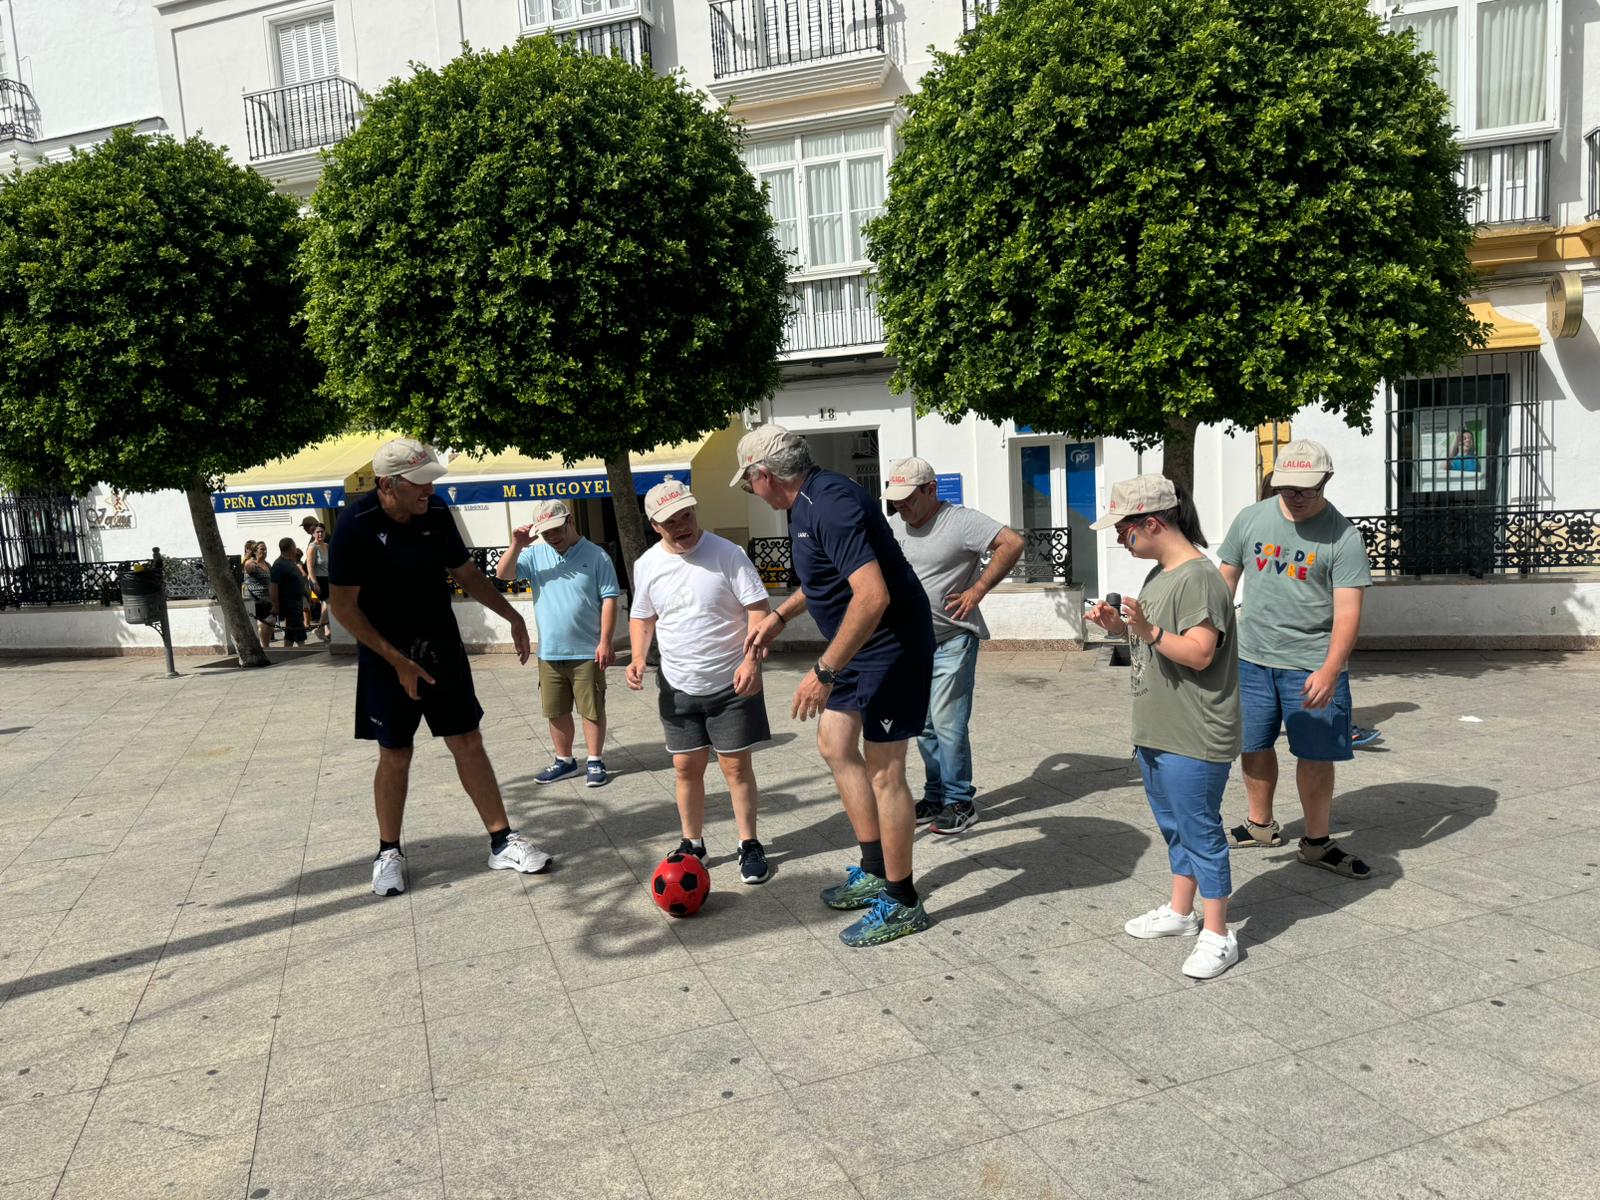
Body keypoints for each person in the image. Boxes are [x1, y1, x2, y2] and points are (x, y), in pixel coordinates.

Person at [738, 425, 935, 947]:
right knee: (833, 743)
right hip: (859, 645)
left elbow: (872, 598)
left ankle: (901, 900)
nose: (749, 490)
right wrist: (779, 616)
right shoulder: (804, 503)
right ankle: (874, 868)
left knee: (885, 770)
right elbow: (824, 579)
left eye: (747, 483)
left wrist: (823, 670)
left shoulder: (829, 503)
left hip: (889, 645)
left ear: (763, 474)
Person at [328, 437, 550, 897]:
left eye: (432, 481)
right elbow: (343, 608)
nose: (430, 490)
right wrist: (397, 661)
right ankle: (388, 852)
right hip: (386, 655)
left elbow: (466, 573)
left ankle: (502, 842)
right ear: (388, 485)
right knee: (396, 753)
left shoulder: (436, 513)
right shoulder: (355, 524)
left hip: (441, 646)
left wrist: (512, 617)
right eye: (420, 482)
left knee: (467, 740)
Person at [1086, 475, 1242, 979]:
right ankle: (1180, 912)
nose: (1117, 539)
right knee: (1175, 827)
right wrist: (1122, 628)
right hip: (1158, 728)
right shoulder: (1160, 573)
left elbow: (1199, 652)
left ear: (1152, 523)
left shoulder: (1199, 577)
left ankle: (1218, 934)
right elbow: (1152, 642)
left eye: (1123, 530)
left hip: (1194, 733)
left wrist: (1147, 630)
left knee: (1201, 832)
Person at [1218, 439, 1373, 879]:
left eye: (1306, 488)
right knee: (1253, 744)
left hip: (1310, 664)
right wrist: (1208, 638)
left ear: (1325, 481)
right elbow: (1224, 581)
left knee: (1315, 753)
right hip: (1251, 658)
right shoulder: (1251, 519)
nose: (1295, 496)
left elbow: (1348, 612)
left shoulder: (1342, 536)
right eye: (1286, 487)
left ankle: (1317, 842)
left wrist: (1329, 668)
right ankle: (1261, 825)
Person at [626, 477, 774, 884]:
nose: (682, 525)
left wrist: (751, 661)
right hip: (677, 686)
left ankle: (749, 844)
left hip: (731, 683)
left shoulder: (728, 554)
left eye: (686, 515)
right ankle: (693, 843)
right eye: (670, 521)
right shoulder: (648, 564)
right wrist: (639, 657)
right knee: (685, 768)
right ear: (655, 526)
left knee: (735, 768)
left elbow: (758, 609)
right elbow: (643, 615)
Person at [883, 456, 1024, 836]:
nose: (901, 506)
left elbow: (1012, 543)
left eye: (908, 498)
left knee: (947, 722)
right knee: (924, 725)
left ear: (931, 490)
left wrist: (978, 589)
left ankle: (960, 801)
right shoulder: (893, 525)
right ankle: (935, 796)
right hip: (911, 645)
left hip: (953, 639)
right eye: (895, 499)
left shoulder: (961, 521)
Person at [494, 499, 619, 788]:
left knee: (591, 708)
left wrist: (606, 641)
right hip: (550, 651)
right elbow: (503, 574)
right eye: (545, 532)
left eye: (556, 529)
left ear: (570, 522)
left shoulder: (597, 556)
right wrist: (517, 545)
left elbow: (610, 598)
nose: (552, 536)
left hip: (587, 649)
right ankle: (565, 761)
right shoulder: (536, 555)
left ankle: (595, 760)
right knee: (555, 709)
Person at [269, 537, 312, 647]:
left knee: (290, 632)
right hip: (289, 604)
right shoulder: (279, 564)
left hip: (297, 602)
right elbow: (273, 586)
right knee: (298, 628)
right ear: (291, 547)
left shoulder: (291, 562)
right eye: (295, 546)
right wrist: (275, 605)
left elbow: (299, 581)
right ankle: (303, 650)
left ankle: (287, 649)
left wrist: (307, 595)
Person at [242, 541, 274, 649]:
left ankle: (265, 646)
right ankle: (264, 647)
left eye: (265, 549)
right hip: (255, 600)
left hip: (267, 599)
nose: (264, 552)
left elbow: (271, 582)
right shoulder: (251, 563)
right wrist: (249, 558)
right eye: (261, 549)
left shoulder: (268, 564)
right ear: (255, 551)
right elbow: (246, 569)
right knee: (263, 622)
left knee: (270, 621)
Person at [306, 523, 332, 641]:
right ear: (313, 534)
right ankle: (320, 628)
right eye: (317, 532)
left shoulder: (326, 545)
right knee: (330, 603)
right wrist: (314, 583)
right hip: (318, 579)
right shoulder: (312, 547)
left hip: (328, 578)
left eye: (322, 531)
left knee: (328, 604)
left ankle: (326, 630)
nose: (320, 534)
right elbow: (310, 567)